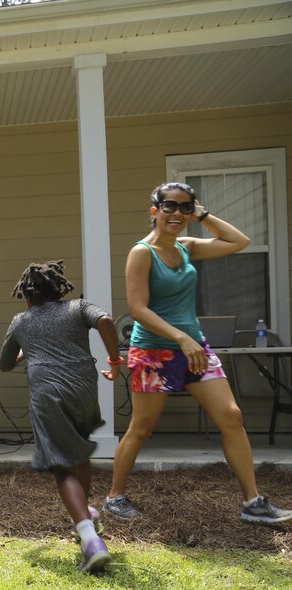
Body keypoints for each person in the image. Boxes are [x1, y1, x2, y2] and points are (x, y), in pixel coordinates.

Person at [106, 182, 292, 525]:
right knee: (142, 426)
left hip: (195, 349)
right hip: (154, 353)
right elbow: (137, 308)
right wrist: (181, 338)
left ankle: (252, 501)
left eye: (185, 207)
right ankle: (115, 497)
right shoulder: (142, 252)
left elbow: (239, 241)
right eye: (170, 206)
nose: (177, 213)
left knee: (231, 416)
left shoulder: (188, 247)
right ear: (154, 211)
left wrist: (203, 214)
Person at [0, 261, 120, 572]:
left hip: (48, 397)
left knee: (62, 468)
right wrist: (116, 359)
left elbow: (5, 363)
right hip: (84, 391)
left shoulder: (21, 320)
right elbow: (105, 320)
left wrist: (27, 350)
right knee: (78, 450)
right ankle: (88, 512)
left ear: (27, 295)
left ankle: (89, 539)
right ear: (59, 289)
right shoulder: (79, 307)